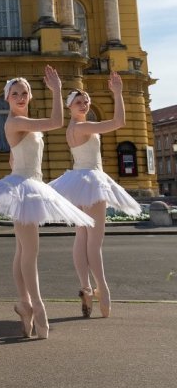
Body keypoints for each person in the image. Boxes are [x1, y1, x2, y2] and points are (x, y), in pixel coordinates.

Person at [0, 69, 94, 340]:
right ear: (7, 98)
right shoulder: (15, 122)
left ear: (30, 96)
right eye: (15, 94)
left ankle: (24, 303)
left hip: (27, 183)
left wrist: (17, 163)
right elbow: (57, 120)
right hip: (24, 188)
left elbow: (15, 157)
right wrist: (57, 89)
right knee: (30, 251)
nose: (20, 97)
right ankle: (37, 306)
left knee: (23, 250)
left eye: (24, 93)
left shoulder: (19, 122)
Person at [49, 72, 139, 319]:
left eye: (86, 100)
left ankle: (86, 287)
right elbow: (119, 122)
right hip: (90, 180)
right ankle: (103, 289)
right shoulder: (83, 125)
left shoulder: (71, 128)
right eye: (79, 101)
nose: (85, 103)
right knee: (95, 241)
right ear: (70, 107)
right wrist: (118, 93)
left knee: (81, 237)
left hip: (77, 180)